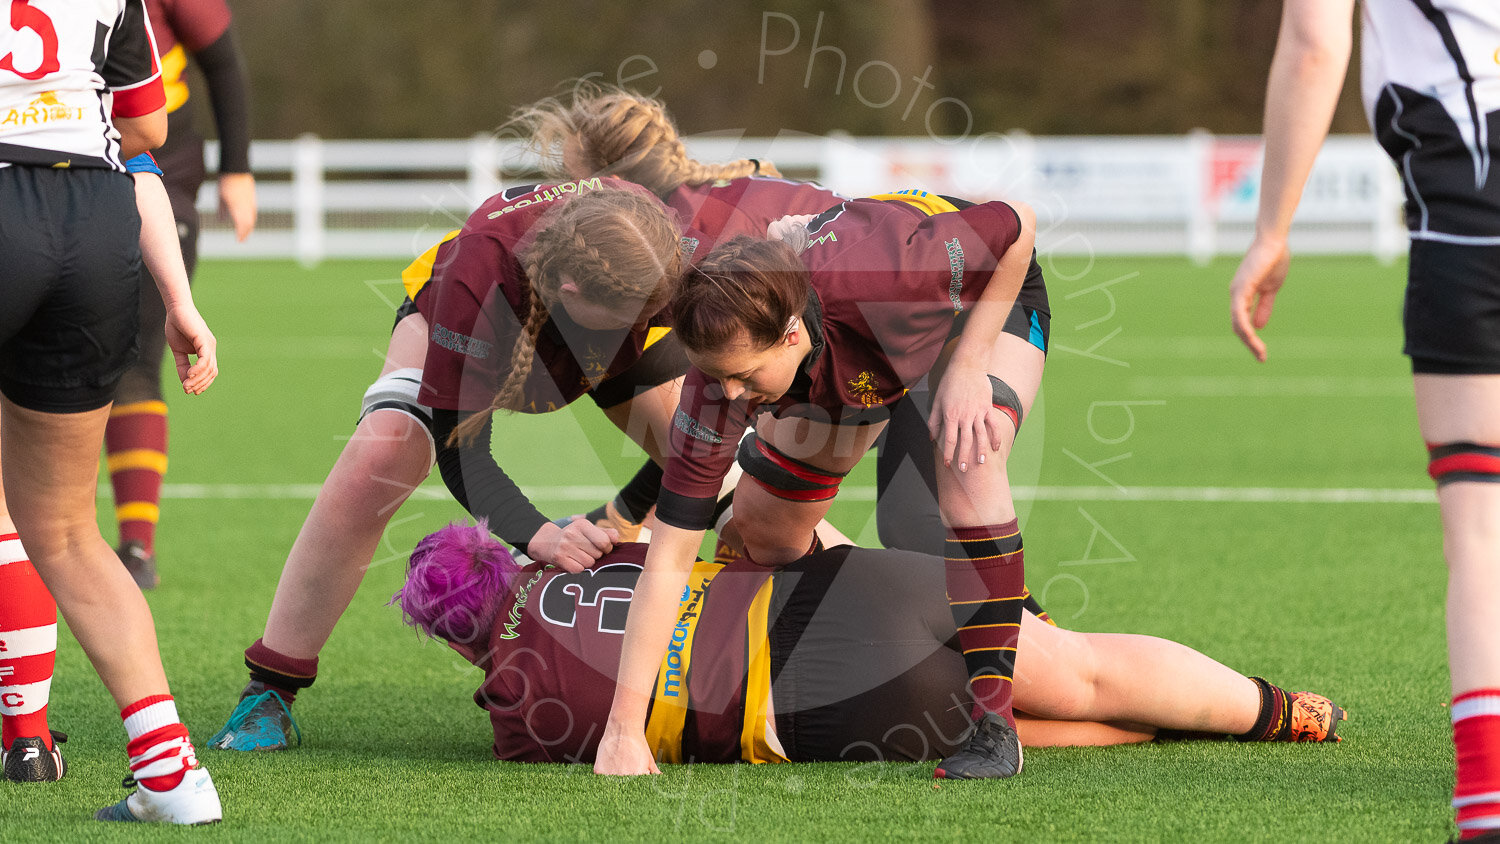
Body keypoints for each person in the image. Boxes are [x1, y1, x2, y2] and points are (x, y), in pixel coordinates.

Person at [207, 180, 686, 753]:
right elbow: (462, 449)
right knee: (381, 457)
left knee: (710, 454)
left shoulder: (661, 255)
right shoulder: (477, 274)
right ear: (568, 286)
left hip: (613, 303)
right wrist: (542, 537)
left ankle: (777, 611)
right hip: (466, 318)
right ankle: (271, 688)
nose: (635, 326)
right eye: (626, 317)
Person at [597, 191, 1049, 780]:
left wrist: (970, 363)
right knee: (761, 526)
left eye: (743, 376)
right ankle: (867, 613)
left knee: (969, 454)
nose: (730, 396)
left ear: (787, 335)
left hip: (975, 303)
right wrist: (624, 731)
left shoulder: (889, 272)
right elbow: (670, 554)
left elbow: (1018, 225)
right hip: (855, 350)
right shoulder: (717, 377)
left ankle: (996, 725)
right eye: (716, 377)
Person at [396, 522, 1345, 764]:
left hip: (833, 706)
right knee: (1085, 665)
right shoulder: (591, 551)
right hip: (852, 591)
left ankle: (1168, 732)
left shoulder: (513, 715)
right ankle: (1276, 711)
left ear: (452, 639)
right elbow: (727, 544)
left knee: (1021, 726)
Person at [1226, 2, 1500, 838]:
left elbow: (1315, 45)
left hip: (1469, 229)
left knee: (1481, 535)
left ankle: (1487, 801)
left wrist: (1271, 228)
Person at [0, 0, 221, 823]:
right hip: (95, 225)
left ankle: (25, 733)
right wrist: (180, 297)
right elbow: (146, 137)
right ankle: (171, 778)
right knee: (62, 528)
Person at [507, 84, 846, 534]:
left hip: (918, 334)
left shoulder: (689, 243)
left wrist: (627, 512)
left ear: (616, 179)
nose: (567, 197)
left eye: (576, 181)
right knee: (752, 514)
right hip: (873, 339)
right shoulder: (688, 208)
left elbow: (712, 417)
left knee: (767, 524)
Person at [108, 0, 255, 589]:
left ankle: (136, 546)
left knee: (137, 355)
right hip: (61, 174)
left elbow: (222, 61)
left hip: (157, 172)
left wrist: (237, 168)